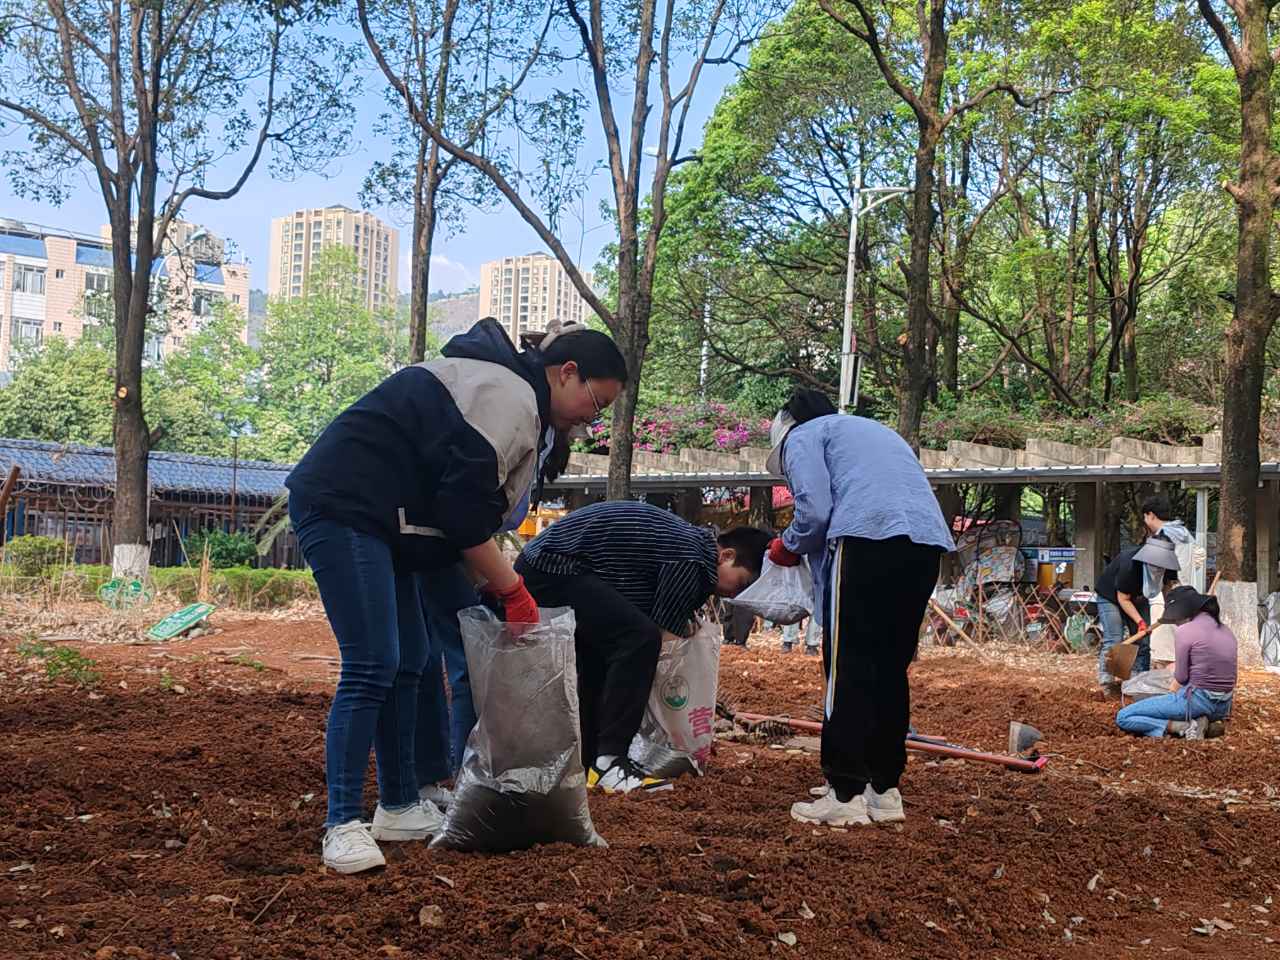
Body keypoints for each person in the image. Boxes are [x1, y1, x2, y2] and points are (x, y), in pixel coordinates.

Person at [285, 317, 626, 873]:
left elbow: (459, 511)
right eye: (597, 400)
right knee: (373, 662)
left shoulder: (519, 402)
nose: (594, 417)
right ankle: (341, 821)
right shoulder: (509, 396)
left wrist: (491, 589)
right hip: (345, 506)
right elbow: (464, 516)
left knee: (414, 660)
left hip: (391, 524)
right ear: (567, 373)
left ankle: (398, 805)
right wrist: (512, 590)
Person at [766, 389, 954, 828]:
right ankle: (884, 789)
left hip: (867, 539)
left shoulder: (802, 435)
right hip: (924, 544)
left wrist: (786, 546)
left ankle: (845, 791)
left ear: (784, 425)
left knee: (847, 665)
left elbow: (814, 512)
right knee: (888, 668)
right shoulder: (867, 431)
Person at [514, 500, 772, 793]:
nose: (736, 593)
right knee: (640, 639)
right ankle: (610, 761)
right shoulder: (693, 558)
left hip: (549, 565)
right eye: (741, 583)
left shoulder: (690, 550)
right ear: (726, 555)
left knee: (607, 654)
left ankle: (588, 762)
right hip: (552, 567)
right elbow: (662, 641)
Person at [1115, 586, 1235, 738]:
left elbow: (1181, 678)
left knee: (1124, 717)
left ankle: (1183, 726)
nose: (1176, 624)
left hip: (1196, 701)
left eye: (1175, 619)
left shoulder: (1185, 631)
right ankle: (1204, 722)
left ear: (1183, 613)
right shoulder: (1226, 630)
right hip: (1223, 706)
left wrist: (1171, 691)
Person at [1095, 535, 1179, 696]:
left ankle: (1139, 682)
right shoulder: (1129, 565)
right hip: (1111, 596)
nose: (1158, 568)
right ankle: (1108, 683)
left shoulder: (1168, 565)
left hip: (1138, 596)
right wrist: (1140, 621)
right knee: (1115, 638)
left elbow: (1168, 587)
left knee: (1143, 641)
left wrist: (1170, 607)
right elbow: (1123, 598)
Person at [1138, 495, 1199, 669]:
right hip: (1188, 590)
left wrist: (1148, 592)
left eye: (1145, 517)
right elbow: (1197, 557)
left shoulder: (1163, 537)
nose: (1145, 521)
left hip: (1170, 593)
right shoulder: (1183, 532)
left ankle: (1172, 683)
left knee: (1168, 647)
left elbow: (1154, 573)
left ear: (1150, 515)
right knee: (1183, 639)